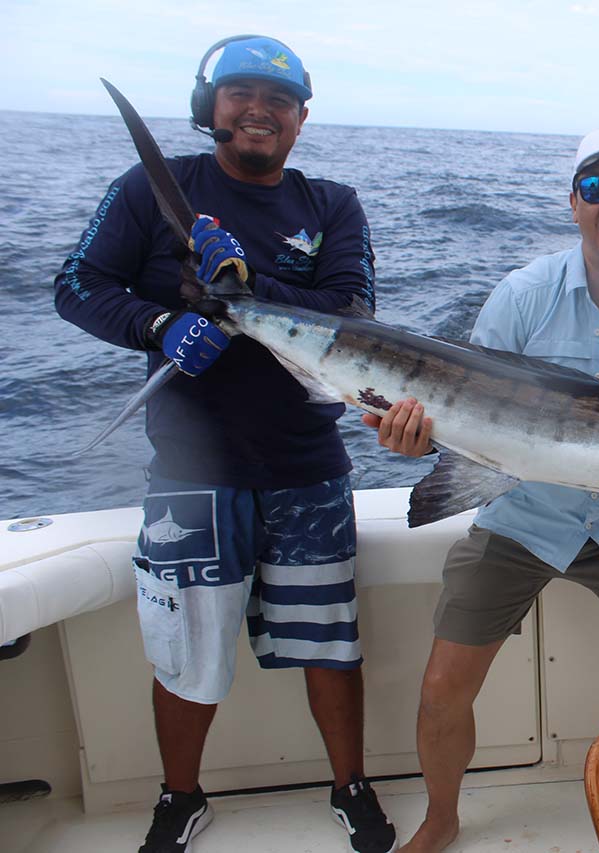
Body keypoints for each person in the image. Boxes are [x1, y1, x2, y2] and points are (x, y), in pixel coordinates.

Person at [54, 36, 393, 853]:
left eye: (278, 100)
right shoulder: (150, 188)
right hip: (190, 469)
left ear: (301, 119)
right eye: (241, 92)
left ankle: (349, 784)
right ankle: (180, 795)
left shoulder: (332, 205)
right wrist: (161, 323)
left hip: (309, 467)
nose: (259, 110)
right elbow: (74, 286)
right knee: (187, 651)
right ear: (210, 104)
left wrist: (242, 287)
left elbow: (353, 312)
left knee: (329, 641)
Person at [362, 126, 599, 852]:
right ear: (573, 204)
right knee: (442, 689)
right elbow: (460, 414)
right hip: (521, 517)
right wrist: (415, 436)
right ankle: (441, 818)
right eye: (597, 186)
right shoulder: (524, 297)